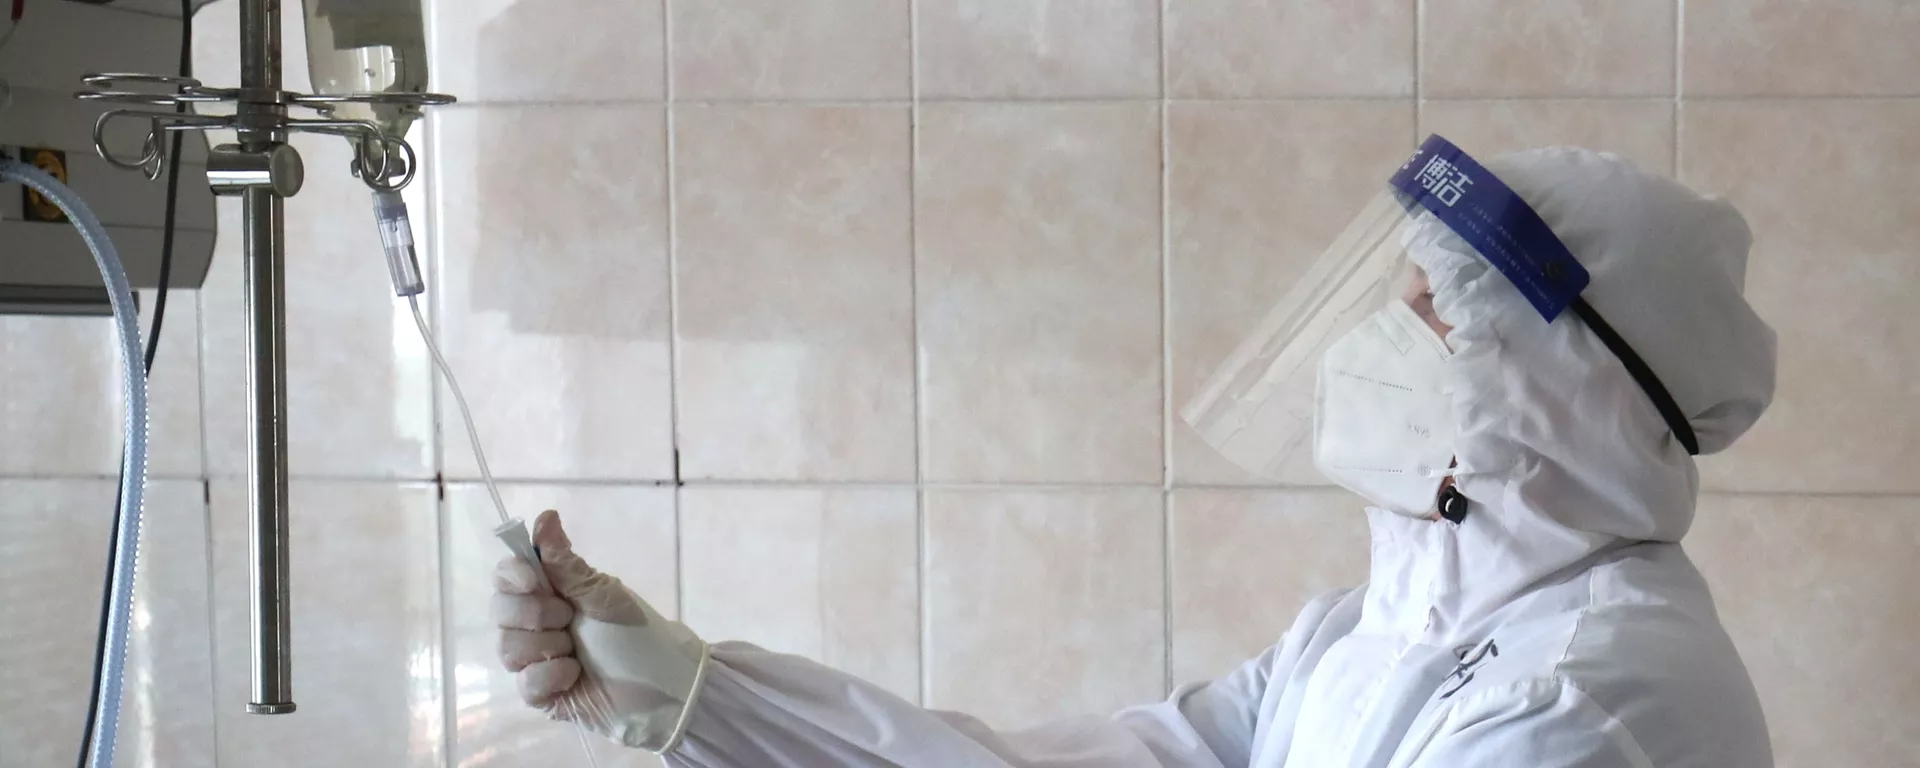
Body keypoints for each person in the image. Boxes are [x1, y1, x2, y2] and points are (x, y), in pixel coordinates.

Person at [492, 139, 1778, 766]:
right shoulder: (1366, 637)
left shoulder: (1584, 704)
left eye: (1432, 310)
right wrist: (689, 692)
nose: (1379, 344)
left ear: (1561, 391)